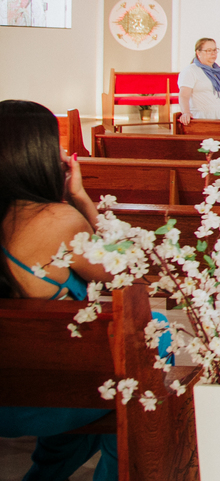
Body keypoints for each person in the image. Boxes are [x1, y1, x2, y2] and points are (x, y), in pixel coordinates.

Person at [0, 100, 117, 481]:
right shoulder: (56, 220)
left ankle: (45, 474)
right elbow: (122, 268)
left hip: (12, 389)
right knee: (153, 343)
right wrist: (81, 198)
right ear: (38, 153)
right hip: (38, 401)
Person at [178, 37, 220, 125]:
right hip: (203, 119)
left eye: (215, 50)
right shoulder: (191, 71)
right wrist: (186, 112)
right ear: (198, 53)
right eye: (208, 50)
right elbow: (184, 95)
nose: (213, 53)